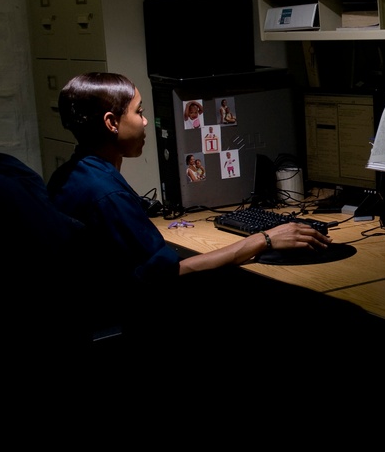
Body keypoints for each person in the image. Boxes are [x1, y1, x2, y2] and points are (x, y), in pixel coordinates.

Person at [47, 72, 330, 319]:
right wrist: (265, 238)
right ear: (111, 123)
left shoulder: (72, 174)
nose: (147, 122)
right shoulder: (107, 194)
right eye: (139, 112)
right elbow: (168, 276)